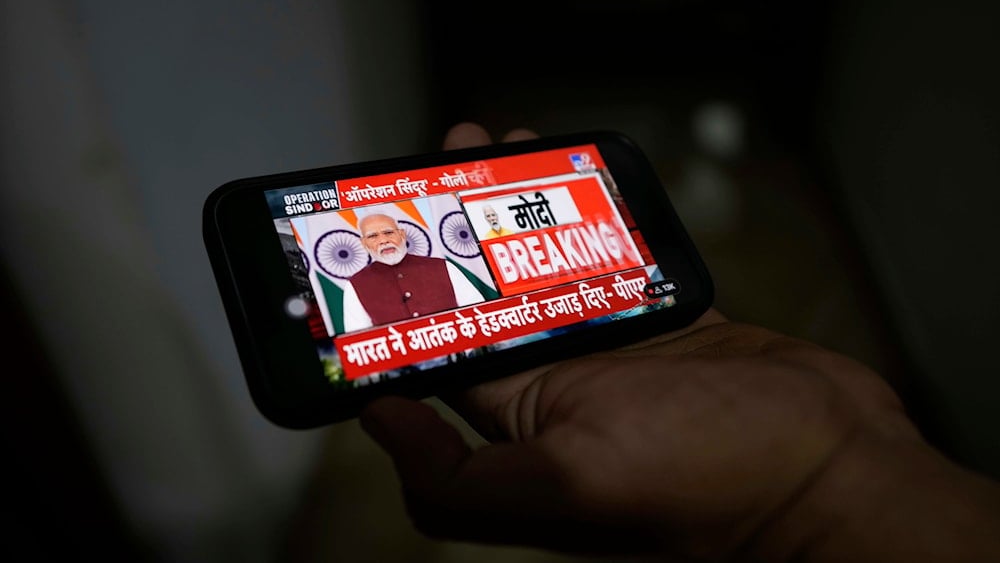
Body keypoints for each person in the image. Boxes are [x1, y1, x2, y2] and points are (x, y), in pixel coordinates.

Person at [360, 122, 1000, 562]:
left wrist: (816, 488)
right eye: (373, 236)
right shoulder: (364, 284)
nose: (386, 243)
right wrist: (823, 484)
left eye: (393, 232)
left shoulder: (440, 264)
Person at [340, 212, 485, 332]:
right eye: (373, 236)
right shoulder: (355, 285)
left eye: (388, 233)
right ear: (364, 243)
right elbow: (359, 338)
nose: (383, 240)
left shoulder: (442, 266)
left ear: (402, 235)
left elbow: (479, 313)